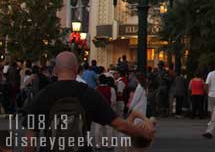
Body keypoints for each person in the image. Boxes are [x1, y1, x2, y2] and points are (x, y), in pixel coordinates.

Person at [23, 52, 154, 149]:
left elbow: (30, 139)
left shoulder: (42, 96)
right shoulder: (89, 94)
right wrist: (144, 132)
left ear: (55, 71)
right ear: (76, 70)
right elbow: (118, 124)